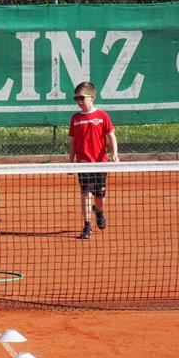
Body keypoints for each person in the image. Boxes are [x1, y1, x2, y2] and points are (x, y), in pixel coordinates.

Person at [68, 81, 119, 240]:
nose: (79, 102)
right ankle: (87, 226)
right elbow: (73, 142)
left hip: (100, 163)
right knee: (84, 193)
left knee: (100, 195)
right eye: (76, 99)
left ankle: (99, 211)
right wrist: (70, 162)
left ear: (92, 97)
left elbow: (111, 135)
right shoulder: (75, 118)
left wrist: (115, 154)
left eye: (82, 98)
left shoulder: (102, 115)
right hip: (83, 164)